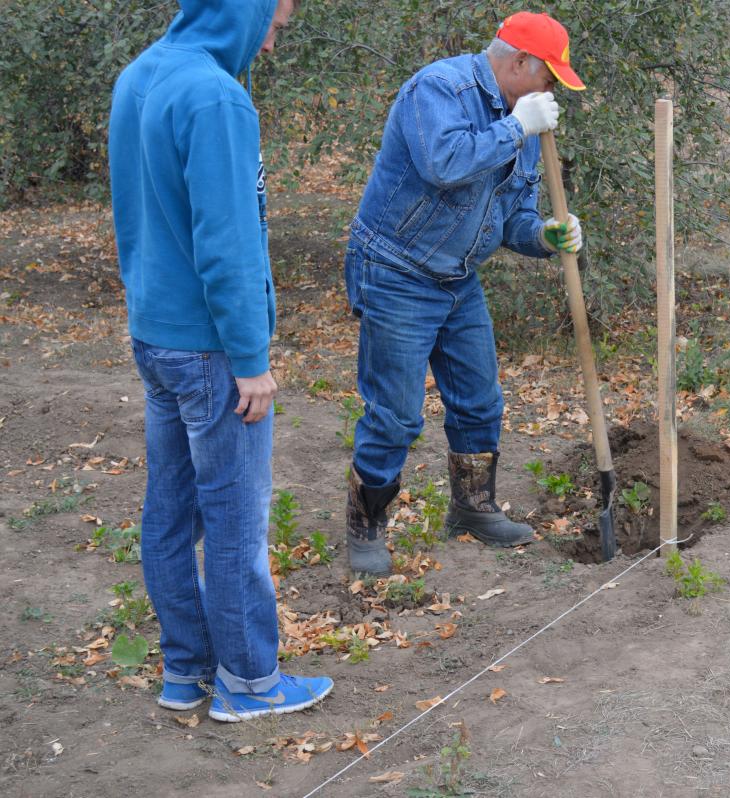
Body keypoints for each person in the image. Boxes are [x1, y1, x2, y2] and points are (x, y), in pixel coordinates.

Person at [109, 0, 333, 722]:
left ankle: (185, 671)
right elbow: (228, 241)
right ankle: (249, 681)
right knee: (235, 514)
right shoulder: (215, 97)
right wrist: (249, 357)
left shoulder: (138, 76)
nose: (270, 44)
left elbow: (132, 216)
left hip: (154, 336)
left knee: (170, 510)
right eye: (272, 25)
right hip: (209, 350)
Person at [343, 11, 586, 574]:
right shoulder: (440, 88)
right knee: (398, 414)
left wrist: (546, 235)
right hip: (396, 271)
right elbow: (444, 164)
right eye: (549, 77)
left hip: (457, 278)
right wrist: (515, 128)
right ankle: (367, 524)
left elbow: (514, 219)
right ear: (521, 61)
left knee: (480, 401)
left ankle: (472, 509)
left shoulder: (526, 126)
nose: (552, 92)